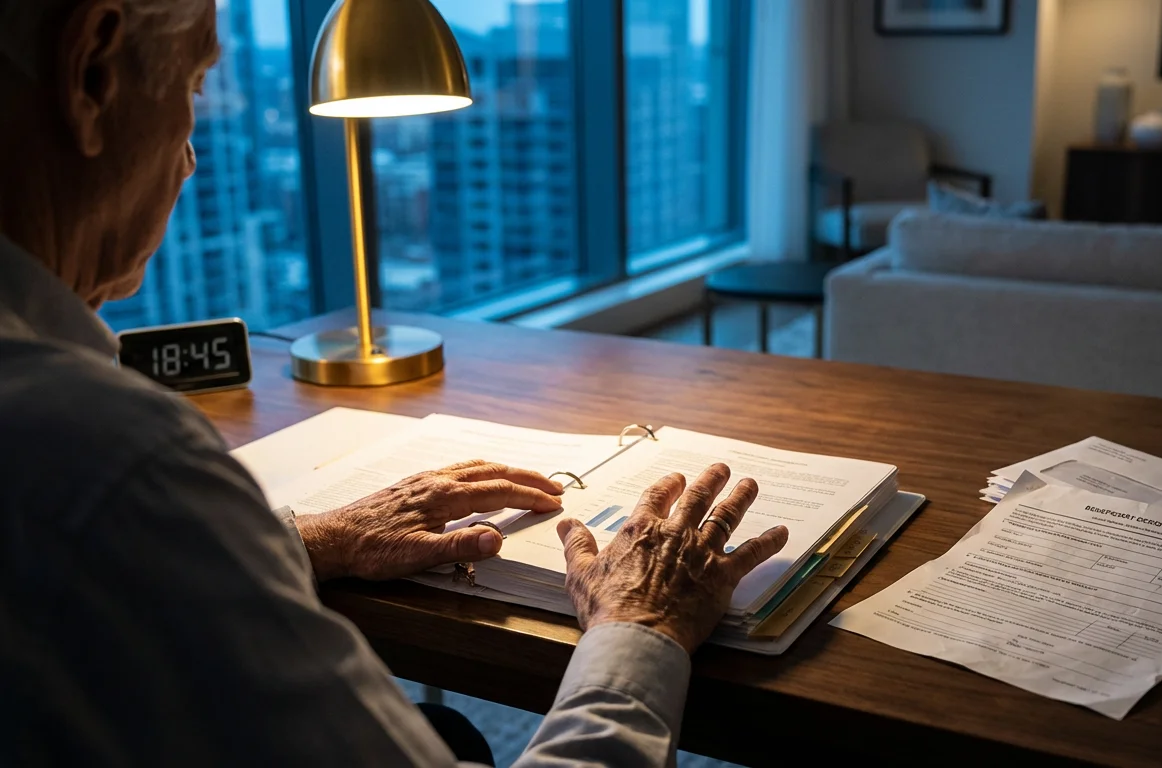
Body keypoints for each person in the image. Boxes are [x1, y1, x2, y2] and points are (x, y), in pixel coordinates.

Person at [0, 1, 790, 765]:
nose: (191, 153)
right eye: (195, 84)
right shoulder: (112, 459)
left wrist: (311, 538)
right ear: (94, 70)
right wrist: (639, 629)